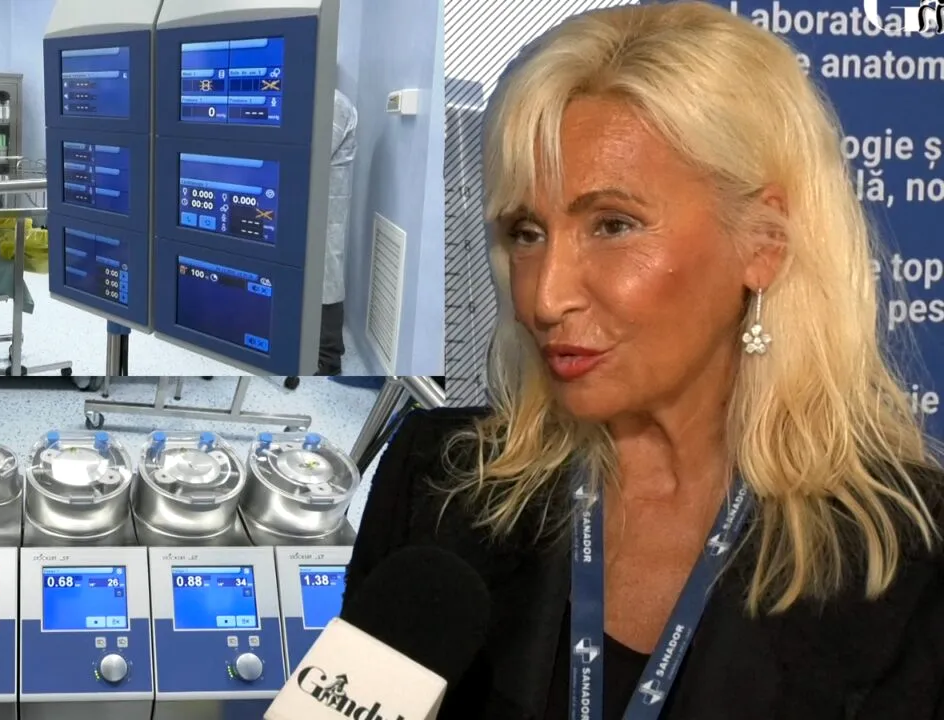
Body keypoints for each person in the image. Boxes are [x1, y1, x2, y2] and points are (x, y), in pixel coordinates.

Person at [344, 4, 944, 719]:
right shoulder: (436, 481)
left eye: (613, 225)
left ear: (764, 243)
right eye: (527, 232)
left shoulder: (912, 563)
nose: (545, 297)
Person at [318, 89, 358, 376]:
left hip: (326, 207)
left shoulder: (334, 103)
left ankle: (328, 356)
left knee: (327, 276)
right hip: (305, 202)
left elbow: (314, 153)